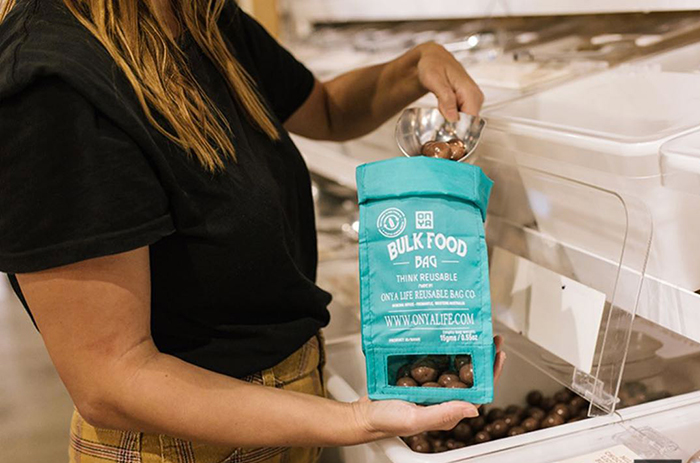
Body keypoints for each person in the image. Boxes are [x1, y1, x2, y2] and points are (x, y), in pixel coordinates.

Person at [0, 1, 505, 462]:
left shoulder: (198, 16)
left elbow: (326, 109)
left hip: (286, 417)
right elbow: (113, 380)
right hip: (180, 446)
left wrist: (415, 64)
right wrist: (353, 419)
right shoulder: (52, 83)